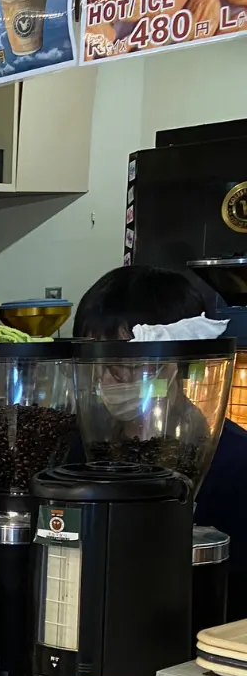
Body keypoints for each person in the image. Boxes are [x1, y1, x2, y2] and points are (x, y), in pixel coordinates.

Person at [74, 264, 247, 618]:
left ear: (176, 362)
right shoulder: (75, 453)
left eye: (125, 361)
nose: (108, 376)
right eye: (98, 360)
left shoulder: (235, 463)